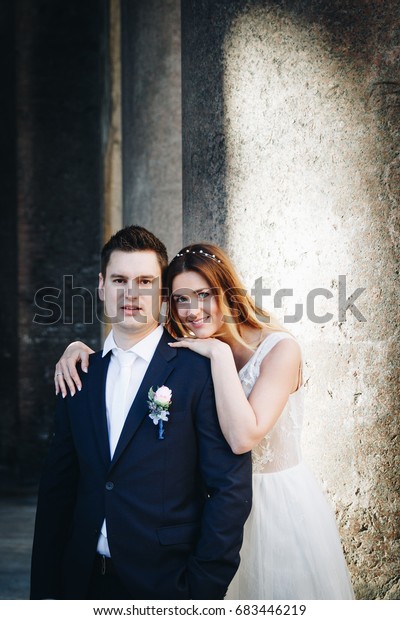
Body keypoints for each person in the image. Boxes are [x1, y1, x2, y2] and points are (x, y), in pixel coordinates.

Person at [54, 242, 355, 600]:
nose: (192, 310)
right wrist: (78, 347)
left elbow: (244, 438)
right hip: (211, 514)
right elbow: (131, 352)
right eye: (181, 299)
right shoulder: (190, 348)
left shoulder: (278, 350)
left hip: (276, 504)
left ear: (227, 291)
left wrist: (220, 354)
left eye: (203, 295)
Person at [30, 227, 252, 600]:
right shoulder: (78, 373)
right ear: (102, 286)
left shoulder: (199, 372)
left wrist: (200, 591)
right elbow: (58, 492)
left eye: (145, 281)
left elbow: (229, 487)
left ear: (162, 293)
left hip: (166, 585)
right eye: (119, 280)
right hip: (80, 582)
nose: (131, 293)